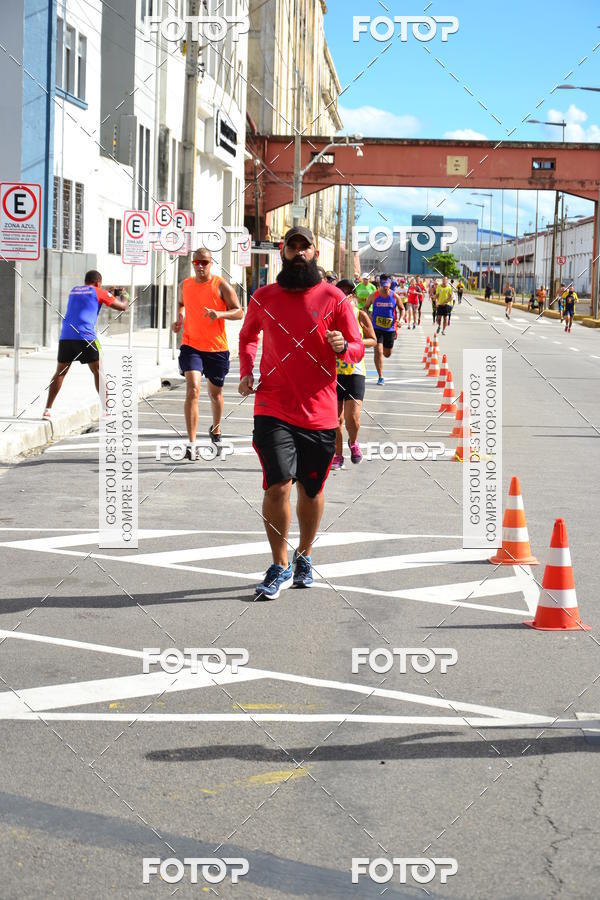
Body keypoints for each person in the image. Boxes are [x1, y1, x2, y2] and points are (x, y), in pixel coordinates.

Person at [238, 226, 365, 599]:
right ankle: (279, 564)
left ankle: (304, 555)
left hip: (320, 412)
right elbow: (247, 337)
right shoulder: (263, 297)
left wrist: (344, 347)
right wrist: (247, 370)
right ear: (282, 252)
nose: (297, 252)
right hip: (273, 406)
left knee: (312, 489)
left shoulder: (334, 297)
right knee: (277, 484)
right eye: (290, 246)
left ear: (314, 253)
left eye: (304, 246)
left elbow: (357, 345)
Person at [173, 247, 243, 460]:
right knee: (193, 389)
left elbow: (239, 311)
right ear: (193, 264)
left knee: (215, 394)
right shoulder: (184, 285)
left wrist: (219, 313)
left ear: (211, 263)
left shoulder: (221, 284)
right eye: (197, 262)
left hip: (216, 348)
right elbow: (181, 303)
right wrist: (180, 317)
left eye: (204, 262)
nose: (201, 266)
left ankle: (216, 429)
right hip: (191, 345)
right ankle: (191, 445)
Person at [43, 270, 128, 419]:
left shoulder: (74, 290)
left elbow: (92, 300)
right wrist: (124, 296)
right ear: (98, 282)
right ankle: (106, 410)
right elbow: (122, 307)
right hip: (86, 337)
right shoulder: (99, 292)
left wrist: (106, 293)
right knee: (98, 371)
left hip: (66, 336)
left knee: (60, 372)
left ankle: (47, 409)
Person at [331, 279, 377, 469]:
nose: (345, 296)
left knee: (353, 418)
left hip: (355, 370)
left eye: (349, 292)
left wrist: (351, 345)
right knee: (336, 419)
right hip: (334, 372)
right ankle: (338, 455)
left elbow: (373, 340)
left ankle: (353, 442)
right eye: (341, 292)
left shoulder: (360, 315)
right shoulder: (330, 316)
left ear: (354, 296)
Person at [363, 275, 404, 384]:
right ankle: (380, 376)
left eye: (387, 286)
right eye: (383, 286)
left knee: (387, 353)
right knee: (378, 351)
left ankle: (382, 369)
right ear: (380, 284)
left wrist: (401, 319)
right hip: (376, 328)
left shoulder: (394, 296)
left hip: (390, 329)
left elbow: (402, 309)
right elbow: (365, 307)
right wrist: (368, 316)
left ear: (390, 284)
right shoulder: (374, 295)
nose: (385, 288)